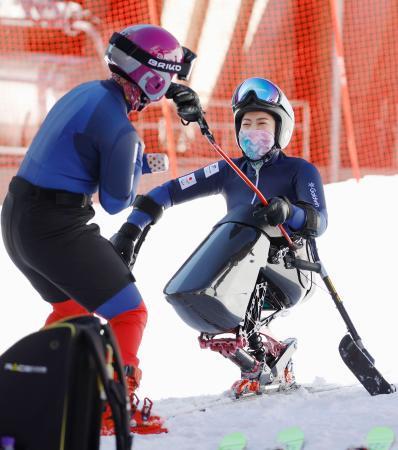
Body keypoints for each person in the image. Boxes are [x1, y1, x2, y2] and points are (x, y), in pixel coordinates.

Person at [0, 23, 200, 435]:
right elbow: (115, 203)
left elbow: (79, 153)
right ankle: (114, 407)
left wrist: (132, 160)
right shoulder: (122, 131)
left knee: (71, 310)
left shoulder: (87, 93)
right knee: (130, 313)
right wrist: (135, 155)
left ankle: (28, 391)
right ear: (152, 76)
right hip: (56, 227)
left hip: (19, 216)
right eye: (168, 78)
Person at [109, 77, 328, 391]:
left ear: (280, 128)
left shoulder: (299, 170)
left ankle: (255, 356)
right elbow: (165, 193)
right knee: (233, 232)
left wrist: (288, 211)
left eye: (262, 123)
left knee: (247, 223)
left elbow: (319, 220)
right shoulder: (229, 170)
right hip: (238, 270)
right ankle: (266, 355)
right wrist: (131, 231)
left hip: (290, 270)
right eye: (246, 124)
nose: (253, 131)